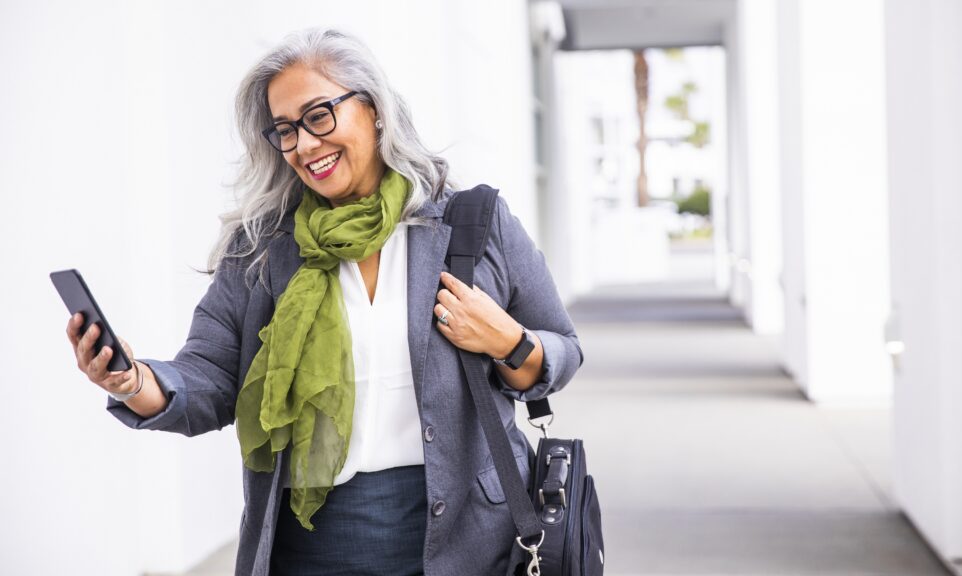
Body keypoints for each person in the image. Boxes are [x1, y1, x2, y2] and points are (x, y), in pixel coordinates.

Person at [64, 27, 582, 576]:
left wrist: (509, 342)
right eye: (285, 130)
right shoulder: (263, 248)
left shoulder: (473, 224)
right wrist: (135, 382)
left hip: (473, 538)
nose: (305, 145)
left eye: (319, 116)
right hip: (313, 543)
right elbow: (210, 378)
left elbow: (563, 350)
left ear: (375, 109)